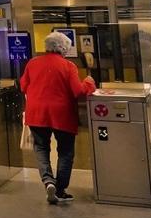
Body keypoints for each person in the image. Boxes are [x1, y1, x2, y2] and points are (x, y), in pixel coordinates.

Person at [20, 31, 96, 205]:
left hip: (37, 113)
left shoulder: (32, 63)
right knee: (65, 151)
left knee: (41, 148)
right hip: (62, 115)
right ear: (64, 49)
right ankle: (60, 189)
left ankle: (48, 182)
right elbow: (78, 91)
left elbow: (23, 86)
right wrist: (89, 82)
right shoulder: (68, 66)